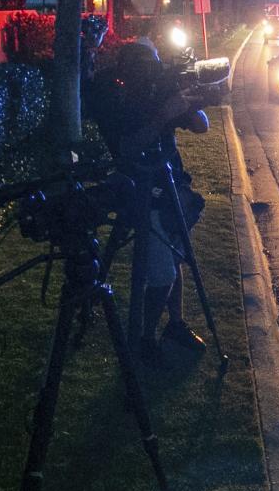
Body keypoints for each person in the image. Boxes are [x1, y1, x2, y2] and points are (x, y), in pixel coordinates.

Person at [84, 38, 209, 362]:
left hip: (171, 188)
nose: (150, 73)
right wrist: (161, 115)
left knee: (176, 257)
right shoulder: (116, 99)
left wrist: (185, 98)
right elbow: (127, 147)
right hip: (140, 191)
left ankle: (175, 324)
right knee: (162, 274)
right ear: (128, 69)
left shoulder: (157, 92)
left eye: (154, 65)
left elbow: (201, 126)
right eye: (145, 66)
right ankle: (145, 337)